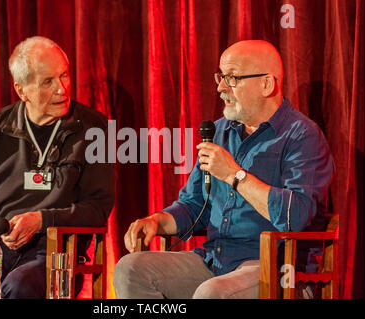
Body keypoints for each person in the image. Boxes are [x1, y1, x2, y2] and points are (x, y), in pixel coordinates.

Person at [113, 40, 334, 299]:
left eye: (232, 78)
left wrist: (234, 174)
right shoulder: (219, 131)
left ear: (266, 84)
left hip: (274, 268)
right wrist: (155, 221)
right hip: (214, 261)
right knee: (131, 269)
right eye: (220, 76)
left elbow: (295, 215)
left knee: (212, 293)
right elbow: (194, 206)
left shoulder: (302, 136)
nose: (220, 88)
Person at [0, 36, 114, 298]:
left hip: (55, 252)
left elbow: (98, 208)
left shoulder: (94, 129)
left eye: (64, 75)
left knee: (19, 286)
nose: (62, 89)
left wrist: (42, 220)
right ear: (22, 90)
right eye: (48, 81)